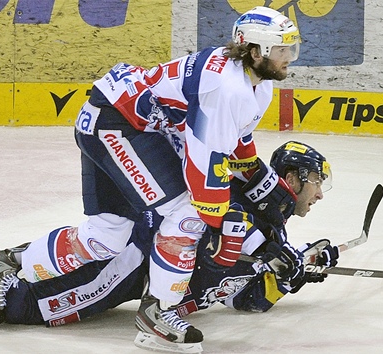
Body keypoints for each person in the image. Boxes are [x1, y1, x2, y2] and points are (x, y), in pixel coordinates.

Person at [0, 141, 337, 353]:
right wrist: (267, 259)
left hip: (139, 268)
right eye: (317, 183)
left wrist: (294, 273)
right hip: (133, 259)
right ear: (292, 179)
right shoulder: (239, 201)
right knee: (22, 302)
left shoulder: (273, 231)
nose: (318, 194)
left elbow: (246, 299)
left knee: (20, 270)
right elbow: (214, 251)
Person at [57, 5, 301, 347]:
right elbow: (202, 166)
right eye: (281, 49)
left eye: (291, 47)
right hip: (117, 124)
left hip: (120, 119)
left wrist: (257, 176)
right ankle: (158, 313)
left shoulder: (255, 84)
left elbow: (237, 139)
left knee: (107, 233)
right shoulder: (225, 88)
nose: (289, 56)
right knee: (188, 213)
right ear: (255, 50)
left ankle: (7, 266)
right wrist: (220, 225)